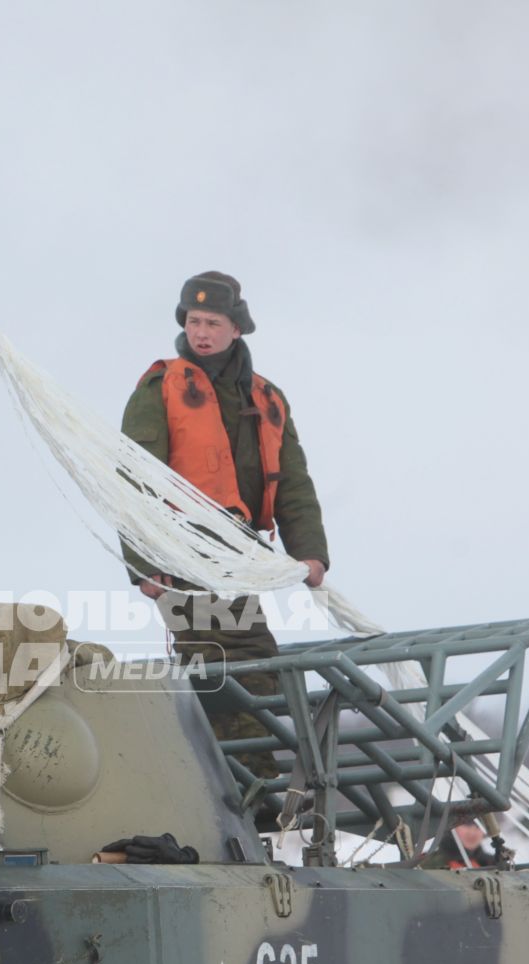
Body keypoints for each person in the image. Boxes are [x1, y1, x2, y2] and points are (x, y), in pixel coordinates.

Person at [120, 271, 329, 787]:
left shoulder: (267, 397)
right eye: (194, 321)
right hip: (180, 553)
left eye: (213, 322)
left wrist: (312, 554)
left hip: (243, 559)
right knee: (218, 671)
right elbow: (132, 477)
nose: (202, 332)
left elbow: (294, 482)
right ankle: (236, 793)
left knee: (255, 668)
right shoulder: (161, 386)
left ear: (237, 328)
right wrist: (144, 563)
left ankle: (250, 792)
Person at [419, 817, 497, 870]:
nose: (472, 832)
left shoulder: (492, 864)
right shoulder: (425, 862)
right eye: (467, 824)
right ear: (451, 827)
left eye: (478, 826)